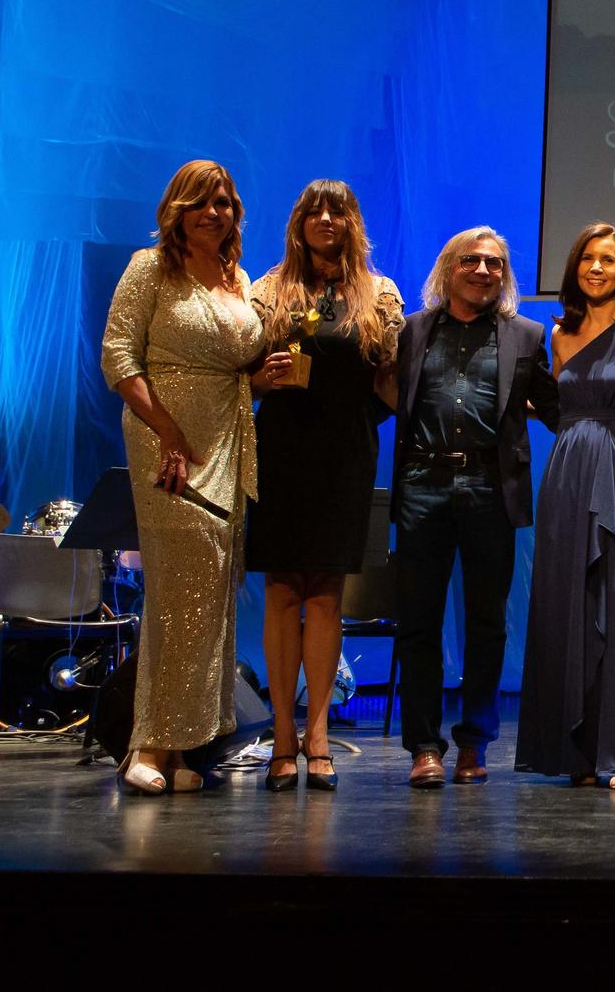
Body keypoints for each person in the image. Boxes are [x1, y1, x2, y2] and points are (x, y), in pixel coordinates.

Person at [102, 160, 277, 795]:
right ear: (177, 209)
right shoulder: (150, 269)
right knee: (179, 593)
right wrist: (169, 431)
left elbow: (238, 369)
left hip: (229, 441)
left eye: (225, 203)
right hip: (166, 443)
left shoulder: (238, 279)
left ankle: (182, 750)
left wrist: (267, 376)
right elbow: (117, 357)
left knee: (212, 597)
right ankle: (144, 744)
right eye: (201, 202)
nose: (215, 213)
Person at [385, 227, 558, 789]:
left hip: (491, 487)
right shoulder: (411, 332)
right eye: (471, 261)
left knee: (487, 625)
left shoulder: (528, 336)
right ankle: (424, 747)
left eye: (494, 263)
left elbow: (558, 407)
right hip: (422, 484)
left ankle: (473, 743)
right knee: (418, 623)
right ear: (448, 267)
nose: (483, 270)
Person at [246, 180, 403, 793]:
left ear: (353, 222)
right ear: (299, 221)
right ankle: (281, 737)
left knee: (327, 596)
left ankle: (317, 736)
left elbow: (389, 381)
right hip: (283, 452)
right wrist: (262, 378)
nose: (326, 219)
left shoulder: (378, 292)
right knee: (283, 590)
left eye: (338, 210)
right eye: (314, 209)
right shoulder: (267, 288)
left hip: (345, 455)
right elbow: (241, 378)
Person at [516, 224, 615, 789]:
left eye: (609, 260)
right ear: (574, 267)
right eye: (588, 258)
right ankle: (577, 755)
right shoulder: (557, 336)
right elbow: (552, 408)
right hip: (570, 475)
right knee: (571, 608)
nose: (597, 268)